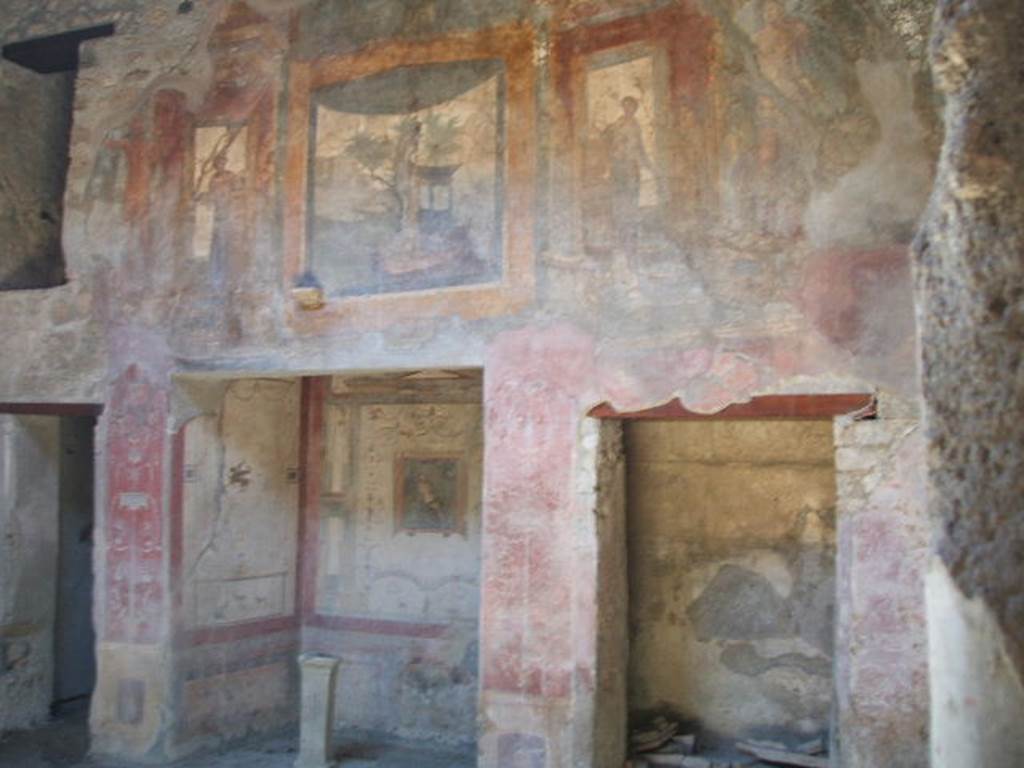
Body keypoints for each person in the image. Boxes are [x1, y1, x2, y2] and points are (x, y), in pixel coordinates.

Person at [603, 96, 653, 249]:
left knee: (632, 197)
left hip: (631, 166)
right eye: (625, 106)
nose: (628, 109)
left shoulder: (636, 125)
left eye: (631, 106)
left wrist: (649, 165)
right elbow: (607, 141)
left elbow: (640, 147)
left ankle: (630, 233)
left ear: (635, 109)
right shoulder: (617, 124)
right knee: (618, 197)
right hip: (618, 165)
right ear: (623, 108)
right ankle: (619, 232)